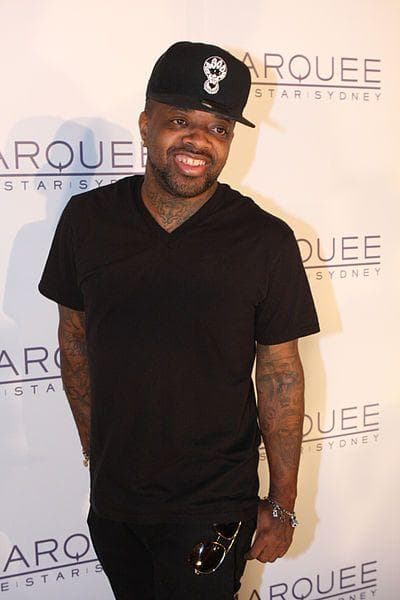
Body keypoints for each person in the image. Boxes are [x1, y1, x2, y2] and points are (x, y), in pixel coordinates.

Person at [39, 41, 320, 600]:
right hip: (115, 502)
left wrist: (283, 502)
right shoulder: (87, 221)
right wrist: (97, 454)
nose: (198, 140)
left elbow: (281, 373)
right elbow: (74, 342)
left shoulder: (265, 240)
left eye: (218, 128)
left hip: (213, 505)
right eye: (179, 121)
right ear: (146, 125)